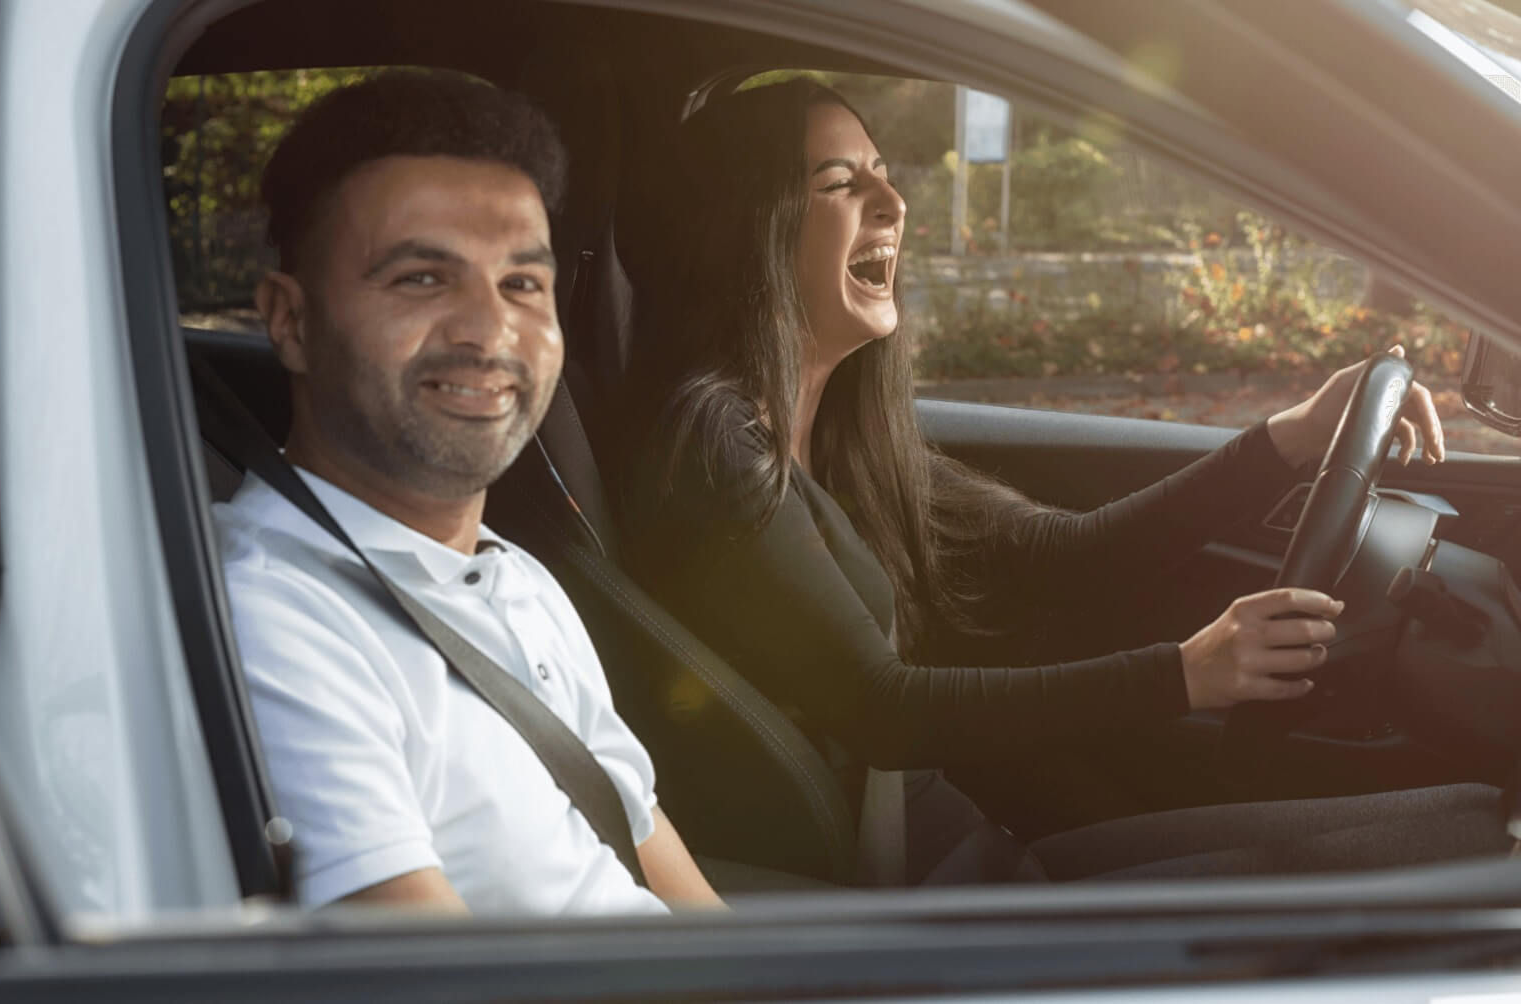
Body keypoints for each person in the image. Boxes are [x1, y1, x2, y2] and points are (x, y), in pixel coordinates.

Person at [616, 76, 1507, 883]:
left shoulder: (842, 433)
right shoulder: (717, 447)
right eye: (841, 185)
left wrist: (1295, 436)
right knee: (1464, 867)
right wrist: (1186, 675)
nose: (892, 200)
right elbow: (884, 708)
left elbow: (1065, 556)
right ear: (748, 228)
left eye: (884, 173)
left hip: (972, 853)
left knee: (1462, 829)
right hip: (917, 899)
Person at [214, 70, 721, 914]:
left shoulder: (513, 575)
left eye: (523, 284)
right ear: (291, 322)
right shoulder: (272, 619)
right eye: (421, 279)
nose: (490, 331)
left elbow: (646, 845)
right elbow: (434, 980)